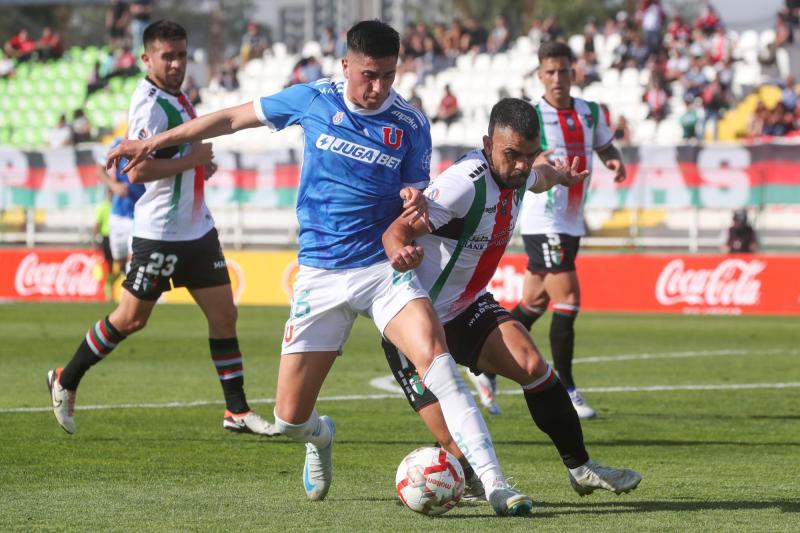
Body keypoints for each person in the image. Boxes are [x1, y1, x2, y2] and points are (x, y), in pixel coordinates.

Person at [107, 20, 532, 515]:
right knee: (288, 419)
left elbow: (413, 200)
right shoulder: (312, 99)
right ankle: (320, 436)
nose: (379, 88)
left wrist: (410, 211)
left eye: (389, 76)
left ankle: (496, 484)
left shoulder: (412, 124)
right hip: (320, 274)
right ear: (346, 65)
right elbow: (230, 118)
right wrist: (150, 143)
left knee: (436, 360)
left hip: (380, 271)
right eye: (369, 75)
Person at [382, 97, 642, 499]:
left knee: (533, 365)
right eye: (512, 155)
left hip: (466, 307)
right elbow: (396, 231)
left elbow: (540, 176)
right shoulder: (462, 185)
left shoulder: (518, 172)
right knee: (458, 455)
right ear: (488, 144)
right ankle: (467, 477)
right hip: (414, 320)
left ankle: (581, 468)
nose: (521, 165)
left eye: (528, 154)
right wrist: (400, 253)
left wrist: (561, 176)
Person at [46, 20, 278, 438]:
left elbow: (180, 154)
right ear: (146, 59)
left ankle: (237, 410)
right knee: (130, 319)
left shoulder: (179, 97)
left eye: (182, 55)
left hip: (197, 229)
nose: (176, 64)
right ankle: (66, 378)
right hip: (162, 234)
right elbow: (136, 170)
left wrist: (198, 164)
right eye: (167, 56)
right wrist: (192, 161)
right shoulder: (149, 103)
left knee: (224, 316)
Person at [509, 41, 627, 419]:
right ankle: (568, 390)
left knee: (534, 302)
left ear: (573, 72)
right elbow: (520, 161)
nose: (558, 78)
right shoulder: (530, 115)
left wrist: (614, 162)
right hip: (543, 218)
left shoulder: (590, 112)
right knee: (570, 297)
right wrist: (540, 164)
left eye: (563, 71)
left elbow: (606, 147)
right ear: (540, 75)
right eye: (551, 72)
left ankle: (481, 356)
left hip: (573, 219)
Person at [94, 138, 146, 287]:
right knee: (120, 262)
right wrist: (114, 185)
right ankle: (122, 283)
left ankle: (133, 292)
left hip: (140, 215)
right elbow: (99, 170)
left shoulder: (149, 141)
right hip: (118, 215)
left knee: (133, 260)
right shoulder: (117, 143)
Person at [93, 187, 114, 301]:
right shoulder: (103, 207)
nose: (111, 195)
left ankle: (110, 283)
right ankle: (109, 289)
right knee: (109, 264)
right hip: (107, 238)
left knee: (121, 265)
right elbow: (97, 224)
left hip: (119, 237)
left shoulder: (118, 206)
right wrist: (96, 239)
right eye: (110, 192)